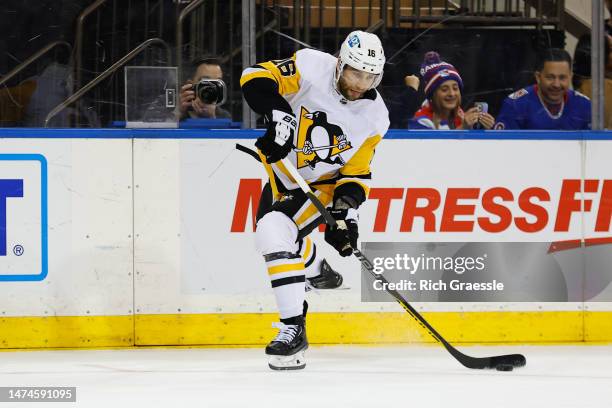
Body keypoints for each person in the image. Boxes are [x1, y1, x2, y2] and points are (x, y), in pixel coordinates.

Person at [240, 31, 389, 370]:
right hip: (284, 178)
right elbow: (254, 76)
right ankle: (318, 269)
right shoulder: (310, 66)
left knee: (274, 231)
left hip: (319, 187)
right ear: (340, 64)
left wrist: (342, 214)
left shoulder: (376, 118)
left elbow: (355, 175)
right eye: (355, 73)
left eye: (370, 76)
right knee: (273, 239)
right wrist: (279, 115)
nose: (360, 83)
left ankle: (293, 330)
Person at [495, 48, 591, 130]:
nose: (556, 84)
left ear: (570, 77)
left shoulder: (584, 105)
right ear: (538, 77)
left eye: (562, 78)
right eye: (550, 77)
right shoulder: (515, 105)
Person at [408, 52, 496, 130]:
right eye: (444, 89)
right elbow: (434, 147)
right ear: (432, 94)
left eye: (455, 88)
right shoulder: (420, 122)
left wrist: (486, 131)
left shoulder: (460, 116)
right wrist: (463, 128)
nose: (452, 94)